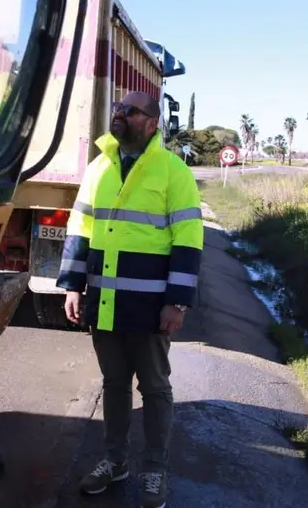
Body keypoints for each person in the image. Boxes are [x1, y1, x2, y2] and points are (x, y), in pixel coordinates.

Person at [56, 91, 204, 508]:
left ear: (152, 123)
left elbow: (189, 240)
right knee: (114, 384)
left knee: (155, 388)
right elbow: (80, 227)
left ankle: (155, 468)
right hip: (104, 302)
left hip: (150, 305)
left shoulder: (173, 171)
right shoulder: (100, 166)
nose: (120, 114)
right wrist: (72, 284)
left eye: (131, 111)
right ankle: (115, 461)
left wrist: (176, 302)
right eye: (118, 109)